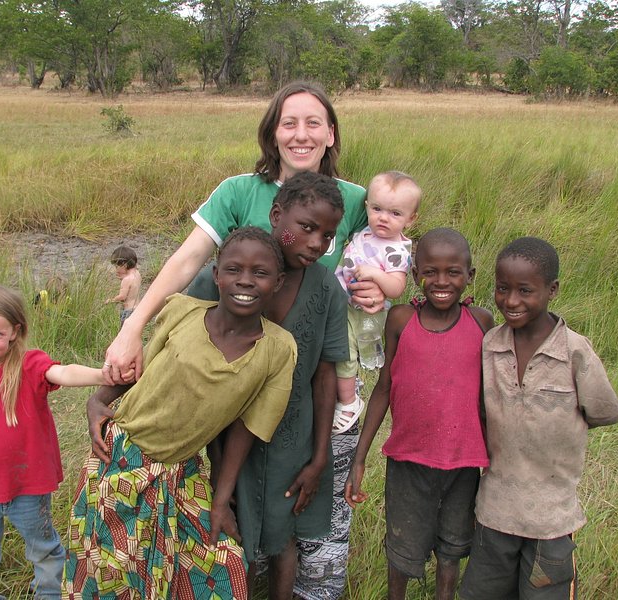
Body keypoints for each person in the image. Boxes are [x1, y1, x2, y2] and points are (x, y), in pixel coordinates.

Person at [98, 80, 384, 598]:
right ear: (272, 132)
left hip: (305, 378)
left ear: (332, 133)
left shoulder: (356, 200)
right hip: (226, 379)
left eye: (313, 122)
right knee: (221, 494)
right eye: (289, 122)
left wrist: (380, 289)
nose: (301, 134)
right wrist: (133, 329)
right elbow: (189, 267)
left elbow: (393, 246)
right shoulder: (239, 191)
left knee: (292, 512)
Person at [63, 227, 297, 599]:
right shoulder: (182, 311)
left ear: (279, 282)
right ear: (216, 274)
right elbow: (141, 369)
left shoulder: (279, 349)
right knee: (113, 573)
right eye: (234, 269)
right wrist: (98, 400)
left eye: (261, 273)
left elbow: (246, 430)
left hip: (182, 471)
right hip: (122, 459)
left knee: (223, 564)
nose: (246, 281)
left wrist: (220, 502)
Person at [186, 171, 348, 599]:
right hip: (220, 434)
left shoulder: (327, 290)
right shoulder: (226, 278)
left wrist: (318, 458)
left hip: (293, 440)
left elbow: (325, 373)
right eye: (307, 228)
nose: (317, 243)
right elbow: (174, 344)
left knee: (283, 540)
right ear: (277, 215)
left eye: (328, 236)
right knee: (228, 534)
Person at [459, 237, 618, 600]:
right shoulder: (490, 345)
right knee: (482, 592)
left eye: (525, 290)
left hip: (551, 515)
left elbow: (601, 412)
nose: (511, 301)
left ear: (552, 290)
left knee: (543, 593)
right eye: (502, 289)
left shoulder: (574, 351)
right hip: (495, 509)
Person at [345, 228, 494, 600]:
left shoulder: (481, 322)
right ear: (415, 275)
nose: (441, 282)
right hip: (409, 460)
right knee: (402, 544)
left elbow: (487, 398)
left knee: (453, 546)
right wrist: (359, 458)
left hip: (463, 463)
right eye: (430, 272)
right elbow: (383, 389)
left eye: (453, 272)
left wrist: (495, 456)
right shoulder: (400, 320)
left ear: (470, 276)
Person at [0, 283, 106, 600]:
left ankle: (48, 591)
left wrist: (103, 375)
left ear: (15, 331)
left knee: (42, 544)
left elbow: (64, 373)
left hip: (29, 481)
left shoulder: (28, 364)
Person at [332, 171, 420, 434]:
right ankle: (348, 389)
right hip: (343, 302)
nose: (384, 218)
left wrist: (375, 274)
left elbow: (396, 287)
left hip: (363, 311)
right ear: (367, 206)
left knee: (345, 350)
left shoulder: (397, 249)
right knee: (338, 347)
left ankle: (348, 401)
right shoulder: (366, 233)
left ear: (411, 219)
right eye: (378, 209)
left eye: (395, 214)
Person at [104, 244, 142, 328]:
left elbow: (122, 297)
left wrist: (111, 300)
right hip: (137, 310)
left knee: (124, 333)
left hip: (128, 311)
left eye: (116, 266)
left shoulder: (126, 280)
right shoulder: (137, 274)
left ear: (124, 264)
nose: (116, 269)